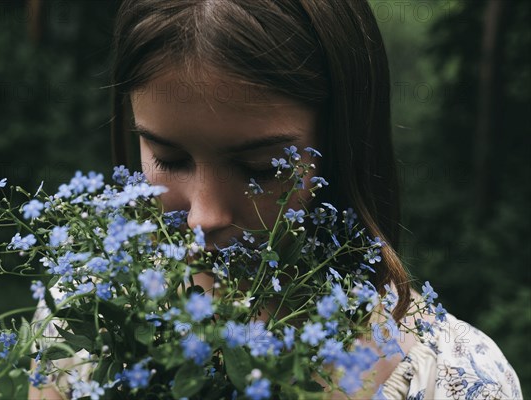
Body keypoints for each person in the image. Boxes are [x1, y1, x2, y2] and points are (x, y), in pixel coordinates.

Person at [30, 0, 522, 399]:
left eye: (260, 169)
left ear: (342, 147)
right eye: (169, 158)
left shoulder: (461, 381)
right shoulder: (83, 319)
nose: (204, 217)